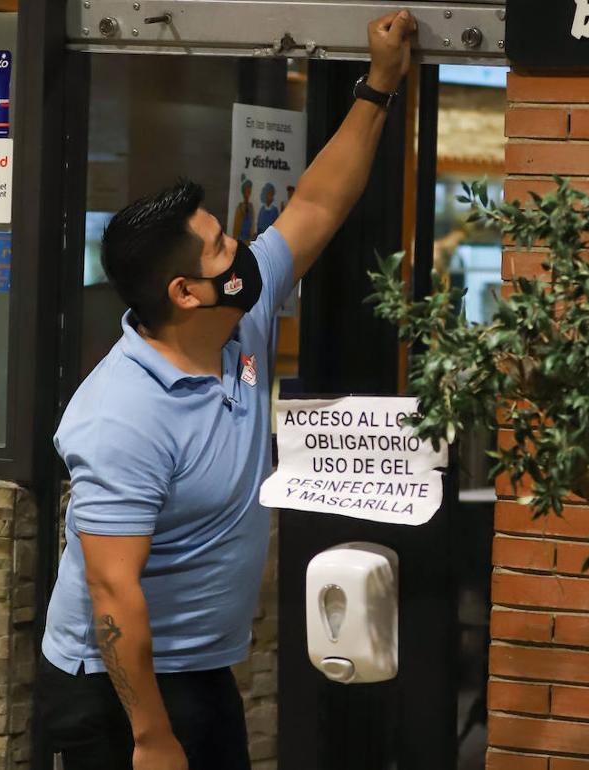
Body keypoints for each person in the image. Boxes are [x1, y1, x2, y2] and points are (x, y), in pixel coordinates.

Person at [37, 11, 415, 770]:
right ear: (184, 292)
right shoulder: (121, 417)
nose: (241, 246)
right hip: (115, 693)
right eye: (220, 246)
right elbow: (114, 597)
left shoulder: (238, 316)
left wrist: (379, 85)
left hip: (199, 671)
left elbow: (315, 205)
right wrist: (150, 738)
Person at [231, 175, 254, 242]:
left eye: (249, 191)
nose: (248, 194)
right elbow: (236, 229)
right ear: (243, 192)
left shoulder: (251, 207)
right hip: (240, 241)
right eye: (247, 191)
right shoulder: (239, 208)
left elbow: (252, 225)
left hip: (248, 241)